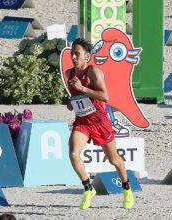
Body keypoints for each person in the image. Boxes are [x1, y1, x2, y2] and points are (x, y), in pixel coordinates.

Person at [66, 38, 134, 210]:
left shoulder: (93, 72)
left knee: (114, 160)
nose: (73, 57)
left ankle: (127, 188)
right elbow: (77, 97)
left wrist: (82, 89)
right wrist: (71, 101)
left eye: (77, 54)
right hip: (82, 121)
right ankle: (88, 189)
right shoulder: (69, 74)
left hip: (99, 121)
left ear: (87, 56)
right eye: (71, 53)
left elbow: (105, 96)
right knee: (74, 154)